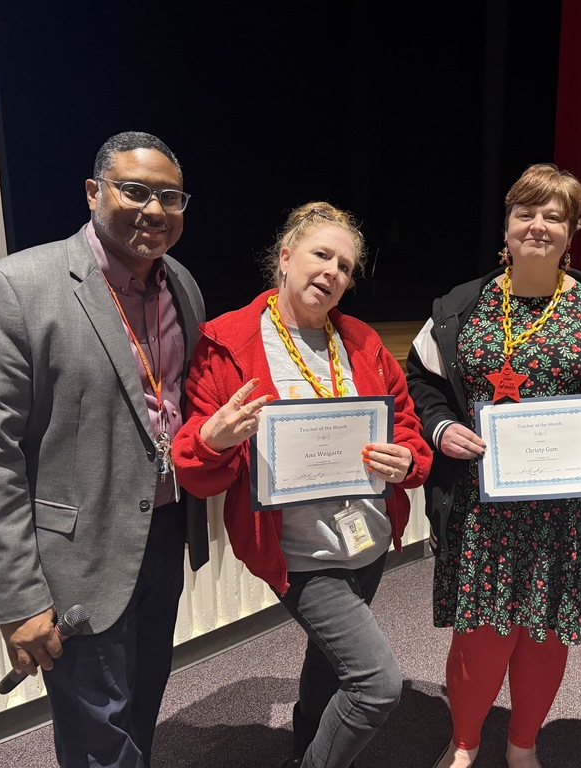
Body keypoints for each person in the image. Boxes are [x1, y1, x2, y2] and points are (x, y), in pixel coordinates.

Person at [0, 131, 208, 766]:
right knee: (98, 738)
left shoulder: (182, 286)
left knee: (141, 706)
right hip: (71, 555)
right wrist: (19, 599)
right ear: (94, 193)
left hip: (162, 534)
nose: (154, 209)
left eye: (170, 197)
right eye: (134, 191)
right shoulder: (14, 286)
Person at [406, 163, 581, 768]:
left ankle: (523, 745)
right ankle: (464, 742)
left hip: (568, 511)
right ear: (507, 225)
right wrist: (440, 429)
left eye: (554, 216)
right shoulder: (461, 307)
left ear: (572, 231)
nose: (538, 225)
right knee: (480, 630)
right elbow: (421, 382)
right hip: (482, 505)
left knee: (545, 630)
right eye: (526, 212)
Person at [172, 201, 432, 768]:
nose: (332, 271)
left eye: (345, 266)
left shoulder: (362, 341)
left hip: (366, 540)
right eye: (322, 255)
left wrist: (407, 458)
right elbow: (194, 466)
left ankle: (305, 746)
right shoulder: (229, 343)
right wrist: (213, 439)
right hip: (300, 554)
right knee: (376, 684)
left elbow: (407, 428)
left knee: (327, 664)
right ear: (286, 257)